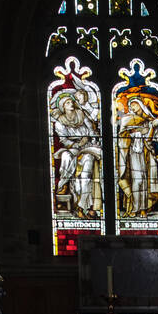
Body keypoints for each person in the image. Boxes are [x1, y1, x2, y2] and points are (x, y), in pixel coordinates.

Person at [51, 86, 103, 219]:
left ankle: (82, 207)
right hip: (72, 148)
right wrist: (77, 144)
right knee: (66, 156)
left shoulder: (81, 114)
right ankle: (64, 184)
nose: (72, 103)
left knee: (86, 177)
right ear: (63, 107)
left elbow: (91, 129)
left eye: (72, 101)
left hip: (87, 148)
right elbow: (63, 140)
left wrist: (91, 138)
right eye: (68, 102)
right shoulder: (59, 123)